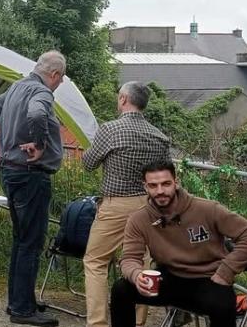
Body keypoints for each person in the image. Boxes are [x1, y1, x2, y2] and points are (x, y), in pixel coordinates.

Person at [110, 160, 247, 327]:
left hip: (209, 278)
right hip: (169, 277)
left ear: (176, 183)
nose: (160, 191)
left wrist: (226, 271)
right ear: (145, 187)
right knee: (121, 289)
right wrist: (136, 275)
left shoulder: (207, 209)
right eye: (153, 185)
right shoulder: (139, 219)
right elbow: (129, 258)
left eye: (166, 184)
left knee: (223, 304)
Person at [81, 81, 171, 327]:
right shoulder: (159, 137)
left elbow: (88, 164)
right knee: (140, 262)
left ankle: (98, 322)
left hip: (116, 204)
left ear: (123, 99)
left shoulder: (110, 130)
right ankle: (138, 321)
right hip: (149, 207)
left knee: (96, 261)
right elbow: (167, 176)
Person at [0, 50, 66, 326]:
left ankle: (19, 301)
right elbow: (36, 115)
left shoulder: (17, 87)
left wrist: (10, 132)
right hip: (30, 174)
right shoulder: (42, 93)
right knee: (31, 242)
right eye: (61, 79)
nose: (60, 84)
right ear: (55, 74)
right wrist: (38, 142)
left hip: (10, 171)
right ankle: (23, 310)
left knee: (21, 240)